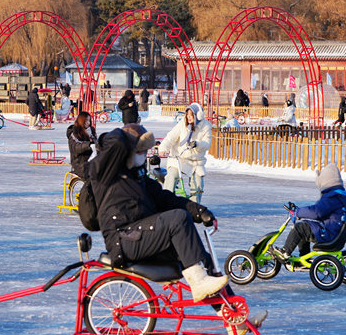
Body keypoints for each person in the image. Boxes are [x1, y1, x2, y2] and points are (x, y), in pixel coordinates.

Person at [89, 124, 227, 301]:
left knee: (201, 257)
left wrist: (199, 211)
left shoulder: (138, 177)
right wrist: (129, 136)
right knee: (177, 219)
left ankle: (230, 312)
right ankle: (199, 282)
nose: (143, 155)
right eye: (140, 150)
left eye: (144, 151)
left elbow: (165, 199)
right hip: (123, 240)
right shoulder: (106, 174)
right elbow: (115, 142)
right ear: (128, 150)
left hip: (142, 236)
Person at [272, 163, 346, 261]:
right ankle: (304, 259)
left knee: (300, 227)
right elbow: (323, 213)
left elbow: (317, 212)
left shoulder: (331, 197)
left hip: (328, 235)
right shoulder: (343, 196)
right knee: (306, 229)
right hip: (338, 234)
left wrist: (298, 212)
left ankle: (285, 252)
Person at [158, 102, 212, 203]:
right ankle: (165, 202)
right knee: (171, 177)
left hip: (196, 161)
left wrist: (197, 144)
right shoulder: (182, 124)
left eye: (191, 115)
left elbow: (207, 144)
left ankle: (194, 206)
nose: (188, 117)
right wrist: (163, 148)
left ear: (198, 116)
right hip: (180, 159)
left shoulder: (205, 127)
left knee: (198, 185)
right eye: (187, 115)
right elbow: (171, 137)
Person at [66, 111, 97, 179]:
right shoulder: (74, 132)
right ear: (81, 121)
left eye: (89, 120)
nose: (88, 123)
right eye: (86, 121)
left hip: (91, 159)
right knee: (94, 174)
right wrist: (89, 145)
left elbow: (96, 143)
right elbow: (76, 146)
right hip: (79, 162)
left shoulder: (91, 131)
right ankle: (88, 186)